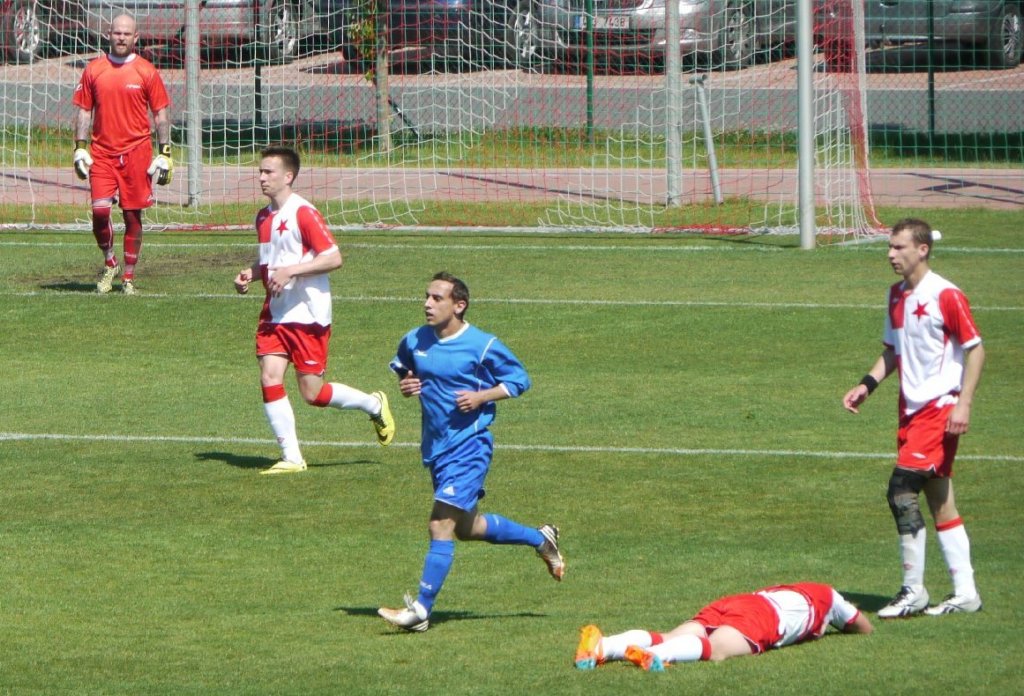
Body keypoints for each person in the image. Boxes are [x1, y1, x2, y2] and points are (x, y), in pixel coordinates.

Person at [377, 272, 564, 632]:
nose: (427, 304)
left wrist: (482, 397)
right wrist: (406, 384)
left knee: (439, 524)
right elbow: (403, 368)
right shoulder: (415, 338)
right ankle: (541, 539)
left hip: (470, 445)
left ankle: (420, 611)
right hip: (437, 447)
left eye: (437, 298)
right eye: (426, 296)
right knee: (468, 527)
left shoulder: (481, 344)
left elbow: (520, 379)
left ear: (459, 305)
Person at [843, 218, 985, 618]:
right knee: (940, 500)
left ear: (922, 250)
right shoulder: (895, 295)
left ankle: (913, 590)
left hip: (939, 408)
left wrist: (964, 403)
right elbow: (893, 350)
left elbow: (975, 349)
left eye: (898, 247)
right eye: (889, 247)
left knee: (901, 490)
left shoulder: (946, 294)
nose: (890, 254)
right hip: (910, 411)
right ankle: (966, 593)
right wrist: (867, 385)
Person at [233, 145, 395, 475]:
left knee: (313, 393)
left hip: (308, 315)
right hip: (276, 313)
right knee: (269, 376)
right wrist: (251, 273)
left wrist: (291, 271)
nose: (261, 177)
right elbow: (270, 261)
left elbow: (333, 257)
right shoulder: (263, 217)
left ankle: (373, 404)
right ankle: (292, 457)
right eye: (260, 171)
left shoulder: (304, 213)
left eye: (268, 172)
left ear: (288, 176)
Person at [72, 13, 172, 296]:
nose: (121, 38)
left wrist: (165, 153)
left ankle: (128, 276)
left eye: (127, 34)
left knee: (132, 216)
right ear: (108, 34)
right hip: (102, 153)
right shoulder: (94, 70)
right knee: (99, 212)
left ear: (135, 37)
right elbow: (84, 111)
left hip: (137, 153)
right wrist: (80, 147)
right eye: (117, 33)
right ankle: (110, 263)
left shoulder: (146, 71)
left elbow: (160, 114)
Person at [574, 581, 873, 672]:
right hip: (765, 616)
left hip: (739, 601)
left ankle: (603, 645)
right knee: (716, 650)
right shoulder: (830, 597)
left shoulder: (793, 588)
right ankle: (657, 656)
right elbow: (863, 627)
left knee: (672, 635)